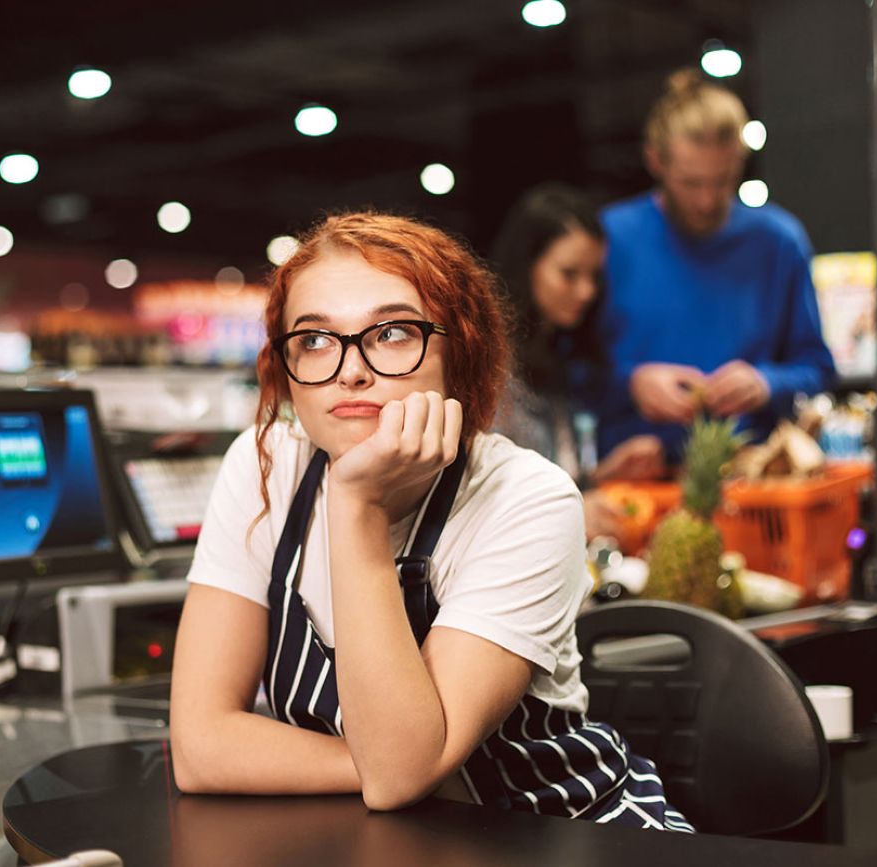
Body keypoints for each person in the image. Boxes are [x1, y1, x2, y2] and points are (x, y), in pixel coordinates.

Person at [170, 212, 691, 831]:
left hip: (559, 834)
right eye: (313, 340)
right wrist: (396, 763)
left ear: (460, 350)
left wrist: (356, 506)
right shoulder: (264, 466)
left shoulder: (527, 498)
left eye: (391, 333)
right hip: (390, 838)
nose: (349, 369)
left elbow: (398, 777)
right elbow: (200, 750)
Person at [597, 69, 836, 461]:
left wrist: (766, 382)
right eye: (691, 183)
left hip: (751, 477)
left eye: (723, 181)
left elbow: (817, 368)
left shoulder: (779, 241)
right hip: (633, 483)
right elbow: (566, 373)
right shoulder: (611, 239)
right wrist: (631, 383)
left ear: (740, 161)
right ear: (655, 161)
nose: (707, 201)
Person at [491, 183, 666, 541]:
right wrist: (573, 512)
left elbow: (552, 478)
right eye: (569, 274)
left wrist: (605, 476)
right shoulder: (491, 366)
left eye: (594, 276)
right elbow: (484, 501)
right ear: (527, 265)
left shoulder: (561, 355)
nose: (586, 292)